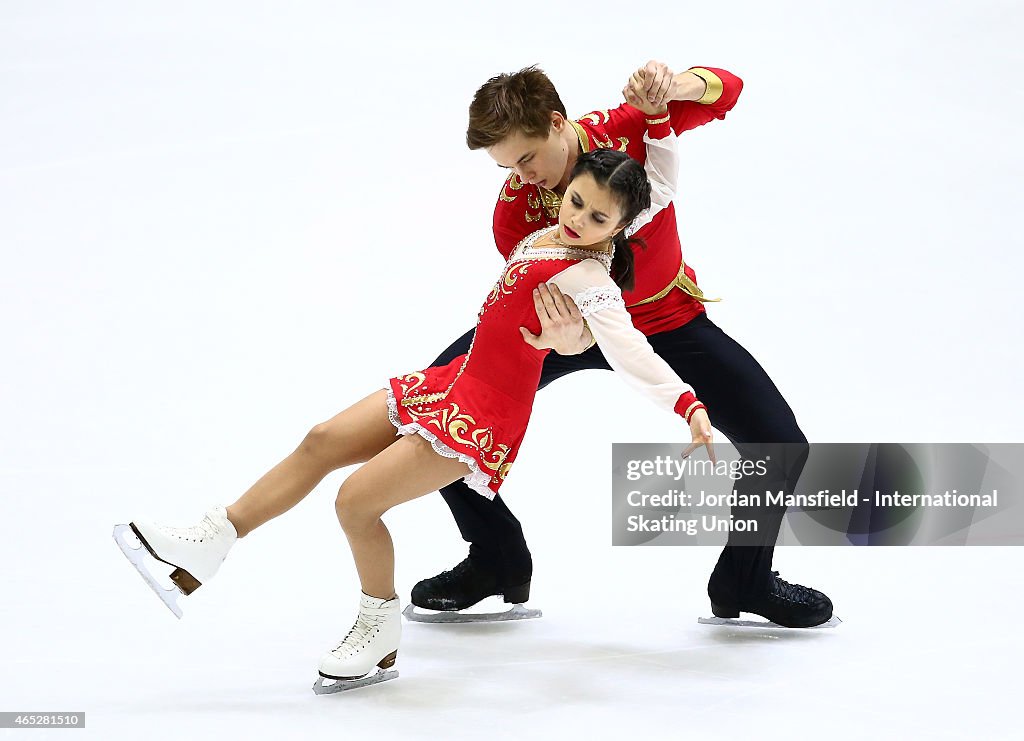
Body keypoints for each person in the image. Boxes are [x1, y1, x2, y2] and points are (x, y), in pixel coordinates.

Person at [115, 85, 711, 690]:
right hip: (453, 381)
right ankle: (210, 542)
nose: (579, 219)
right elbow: (659, 180)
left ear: (619, 225)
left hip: (482, 417)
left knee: (355, 501)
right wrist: (657, 132)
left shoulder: (591, 275)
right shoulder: (546, 232)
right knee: (321, 439)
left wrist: (684, 404)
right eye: (576, 202)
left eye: (598, 218)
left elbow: (629, 348)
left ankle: (378, 631)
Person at [410, 61, 834, 629]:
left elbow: (727, 90)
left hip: (667, 319)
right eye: (507, 165)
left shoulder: (628, 129)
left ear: (558, 124)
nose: (520, 177)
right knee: (431, 412)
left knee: (780, 442)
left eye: (527, 158)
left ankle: (745, 579)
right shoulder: (515, 211)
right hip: (569, 328)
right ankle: (496, 558)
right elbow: (535, 294)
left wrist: (670, 88)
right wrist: (563, 338)